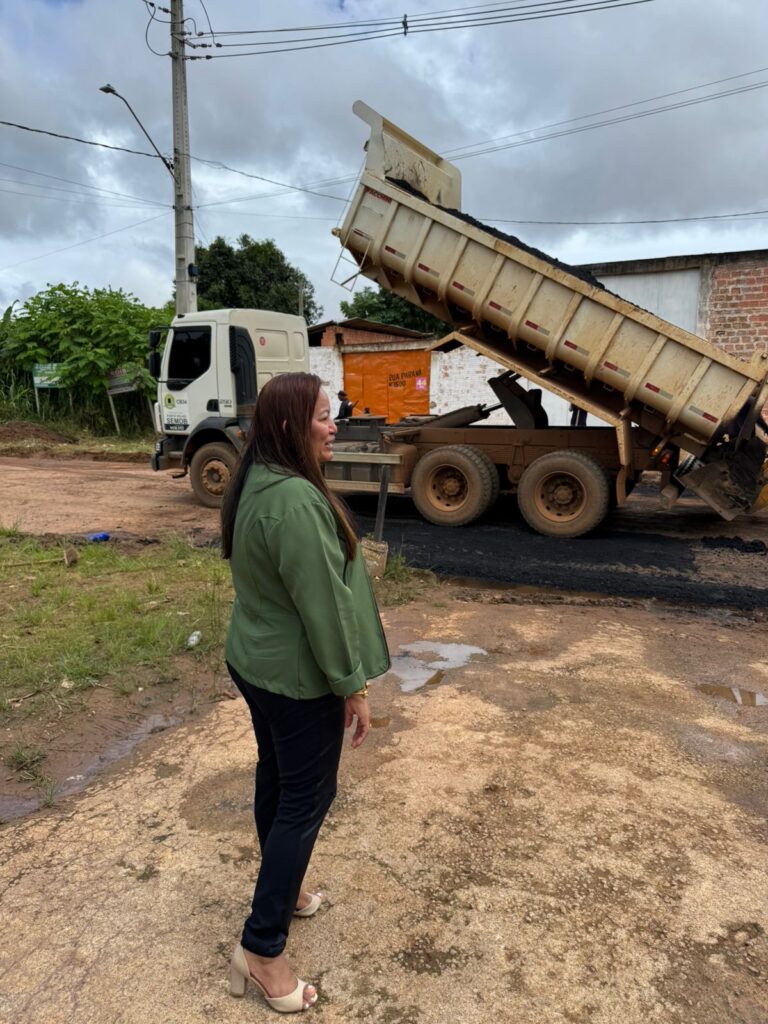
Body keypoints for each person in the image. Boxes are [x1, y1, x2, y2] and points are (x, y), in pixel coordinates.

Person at [221, 372, 389, 1013]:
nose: (334, 425)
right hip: (296, 678)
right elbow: (324, 607)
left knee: (279, 780)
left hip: (257, 662)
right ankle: (262, 950)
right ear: (292, 426)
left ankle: (285, 892)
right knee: (305, 800)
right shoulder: (293, 499)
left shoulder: (259, 478)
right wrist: (353, 686)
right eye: (323, 415)